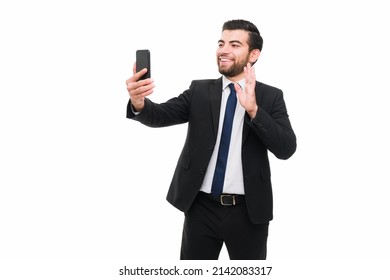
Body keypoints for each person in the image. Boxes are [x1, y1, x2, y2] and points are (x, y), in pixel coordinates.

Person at [126, 19, 296, 260]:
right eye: (221, 43)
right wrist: (138, 102)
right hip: (201, 208)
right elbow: (161, 115)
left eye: (235, 44)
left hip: (249, 212)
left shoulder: (270, 97)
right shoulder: (199, 91)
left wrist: (254, 111)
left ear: (253, 54)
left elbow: (286, 148)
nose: (224, 50)